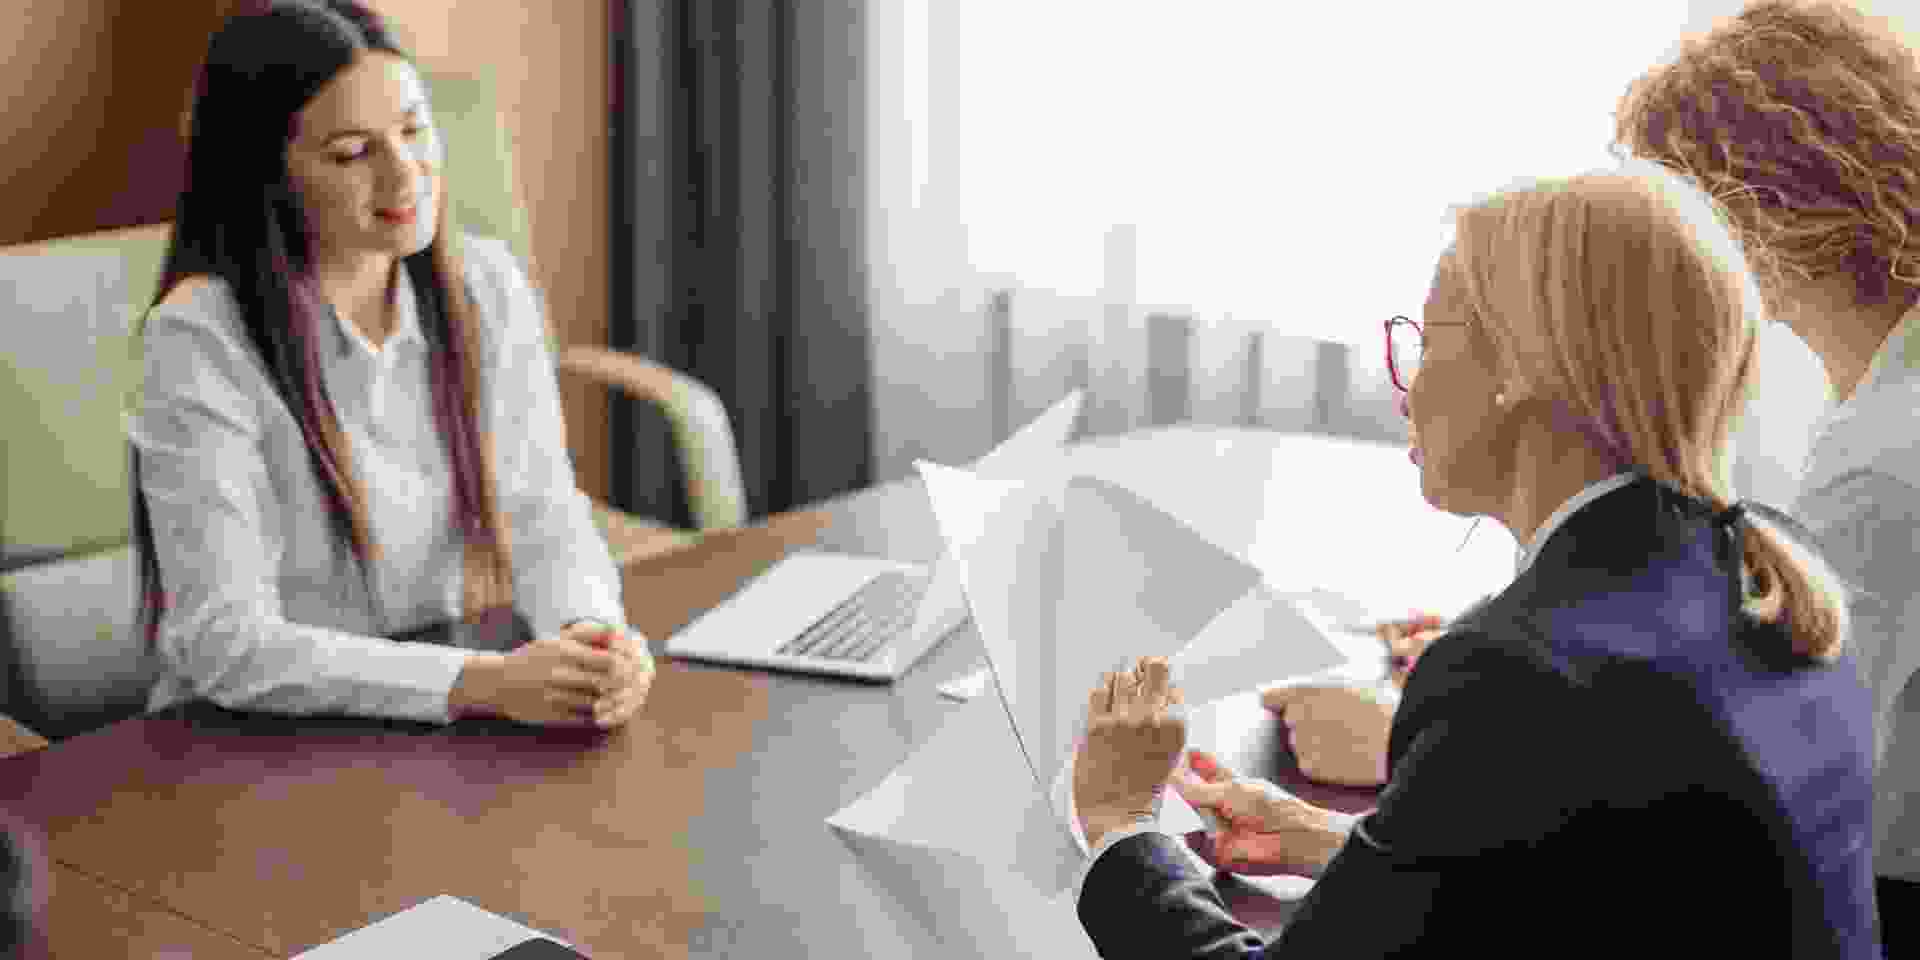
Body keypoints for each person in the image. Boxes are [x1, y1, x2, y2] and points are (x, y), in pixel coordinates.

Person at [1067, 159, 1879, 956]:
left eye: (1427, 341)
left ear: (1518, 373)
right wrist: (1340, 844)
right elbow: (1612, 874)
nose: (1407, 387)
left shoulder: (1516, 676)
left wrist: (1123, 827)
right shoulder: (1764, 570)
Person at [129, 0, 653, 729]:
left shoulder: (486, 285)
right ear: (267, 173)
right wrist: (483, 682)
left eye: (413, 130)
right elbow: (226, 642)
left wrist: (592, 636)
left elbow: (541, 513)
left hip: (436, 708)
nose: (404, 176)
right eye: (352, 153)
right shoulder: (200, 337)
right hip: (254, 736)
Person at [1614, 1, 1920, 951]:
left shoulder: (1884, 456)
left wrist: (1469, 756)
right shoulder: (1878, 396)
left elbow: (1773, 799)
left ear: (1754, 217)